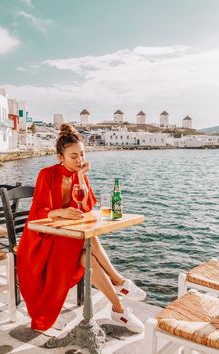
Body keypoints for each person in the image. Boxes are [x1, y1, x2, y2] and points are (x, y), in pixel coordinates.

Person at [17, 123, 145, 334]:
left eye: (82, 154)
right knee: (87, 243)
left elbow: (87, 206)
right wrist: (58, 212)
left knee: (88, 255)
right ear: (60, 157)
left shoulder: (79, 174)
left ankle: (119, 307)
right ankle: (119, 283)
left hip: (64, 236)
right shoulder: (46, 174)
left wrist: (81, 178)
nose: (79, 160)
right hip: (40, 240)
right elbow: (38, 211)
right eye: (73, 156)